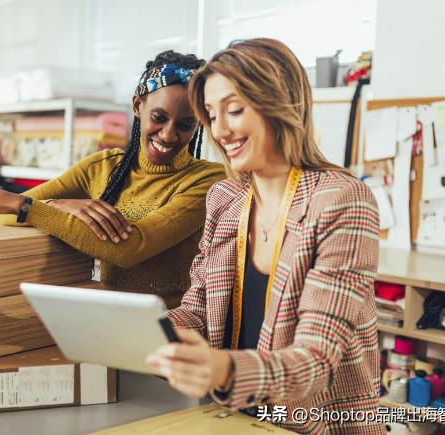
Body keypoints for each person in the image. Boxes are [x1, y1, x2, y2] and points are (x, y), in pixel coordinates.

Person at [147, 39, 383, 434]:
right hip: (231, 417)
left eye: (234, 110)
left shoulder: (340, 200)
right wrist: (151, 331)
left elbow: (315, 361)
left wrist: (221, 369)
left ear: (279, 104)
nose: (220, 130)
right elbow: (200, 311)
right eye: (210, 114)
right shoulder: (226, 199)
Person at [0, 51, 225, 304]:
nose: (168, 135)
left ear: (199, 123)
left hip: (172, 332)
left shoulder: (208, 181)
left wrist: (25, 206)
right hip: (105, 319)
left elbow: (130, 248)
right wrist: (56, 204)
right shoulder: (102, 167)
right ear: (137, 106)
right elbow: (0, 215)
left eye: (185, 124)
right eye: (159, 117)